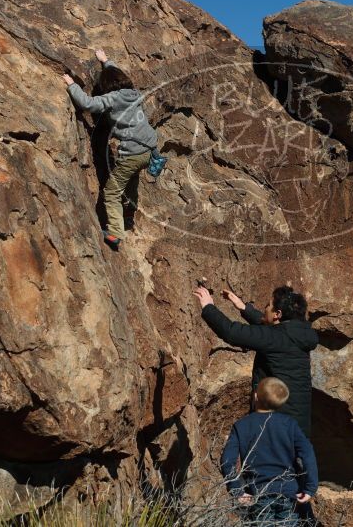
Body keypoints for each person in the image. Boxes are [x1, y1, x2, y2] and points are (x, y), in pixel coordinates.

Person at [62, 49, 163, 248]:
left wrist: (72, 85)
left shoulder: (113, 98)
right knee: (132, 178)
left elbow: (88, 104)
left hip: (133, 153)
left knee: (111, 192)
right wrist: (106, 61)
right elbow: (116, 73)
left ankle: (115, 233)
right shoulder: (134, 93)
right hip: (149, 149)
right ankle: (128, 211)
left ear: (107, 86)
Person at [193, 284, 318, 437]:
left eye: (268, 305)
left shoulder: (277, 337)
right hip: (297, 425)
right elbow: (270, 330)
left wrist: (208, 307)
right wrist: (243, 308)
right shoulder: (298, 334)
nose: (265, 308)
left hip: (276, 426)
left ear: (278, 314)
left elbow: (232, 332)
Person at [221, 377, 318, 526]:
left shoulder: (241, 425)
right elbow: (307, 453)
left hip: (258, 492)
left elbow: (228, 460)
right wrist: (310, 488)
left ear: (255, 396)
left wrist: (236, 489)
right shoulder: (289, 424)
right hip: (288, 492)